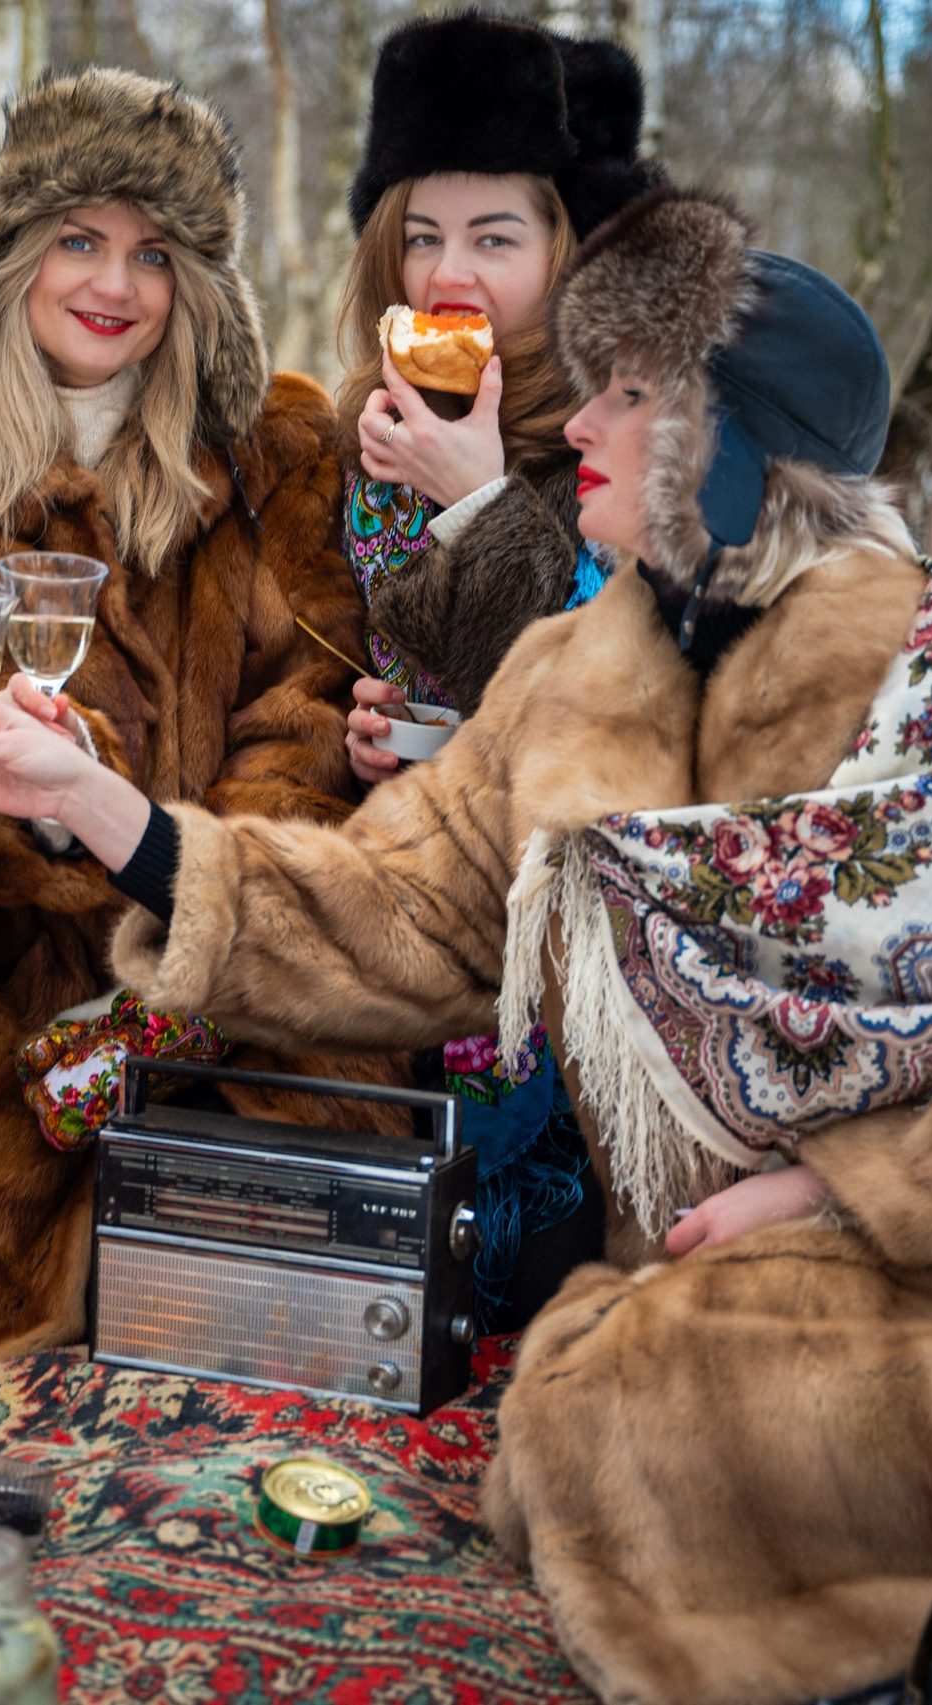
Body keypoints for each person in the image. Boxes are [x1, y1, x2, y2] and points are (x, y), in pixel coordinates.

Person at [0, 190, 932, 1702]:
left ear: (734, 452)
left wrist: (834, 1187)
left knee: (634, 1416)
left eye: (635, 397)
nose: (584, 426)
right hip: (739, 1273)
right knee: (625, 1405)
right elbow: (403, 912)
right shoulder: (577, 667)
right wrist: (107, 811)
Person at [0, 67, 400, 1410]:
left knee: (316, 1320)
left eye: (154, 252)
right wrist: (58, 812)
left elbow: (309, 701)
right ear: (12, 255)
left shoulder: (274, 451)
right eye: (80, 239)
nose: (114, 283)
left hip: (257, 941)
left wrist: (200, 873)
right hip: (25, 960)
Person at [326, 12, 668, 1327]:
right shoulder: (387, 425)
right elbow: (406, 661)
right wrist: (372, 729)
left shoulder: (633, 428)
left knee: (536, 1276)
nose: (450, 269)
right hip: (415, 913)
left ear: (565, 249)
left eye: (494, 237)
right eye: (423, 233)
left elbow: (615, 681)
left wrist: (481, 500)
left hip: (584, 937)